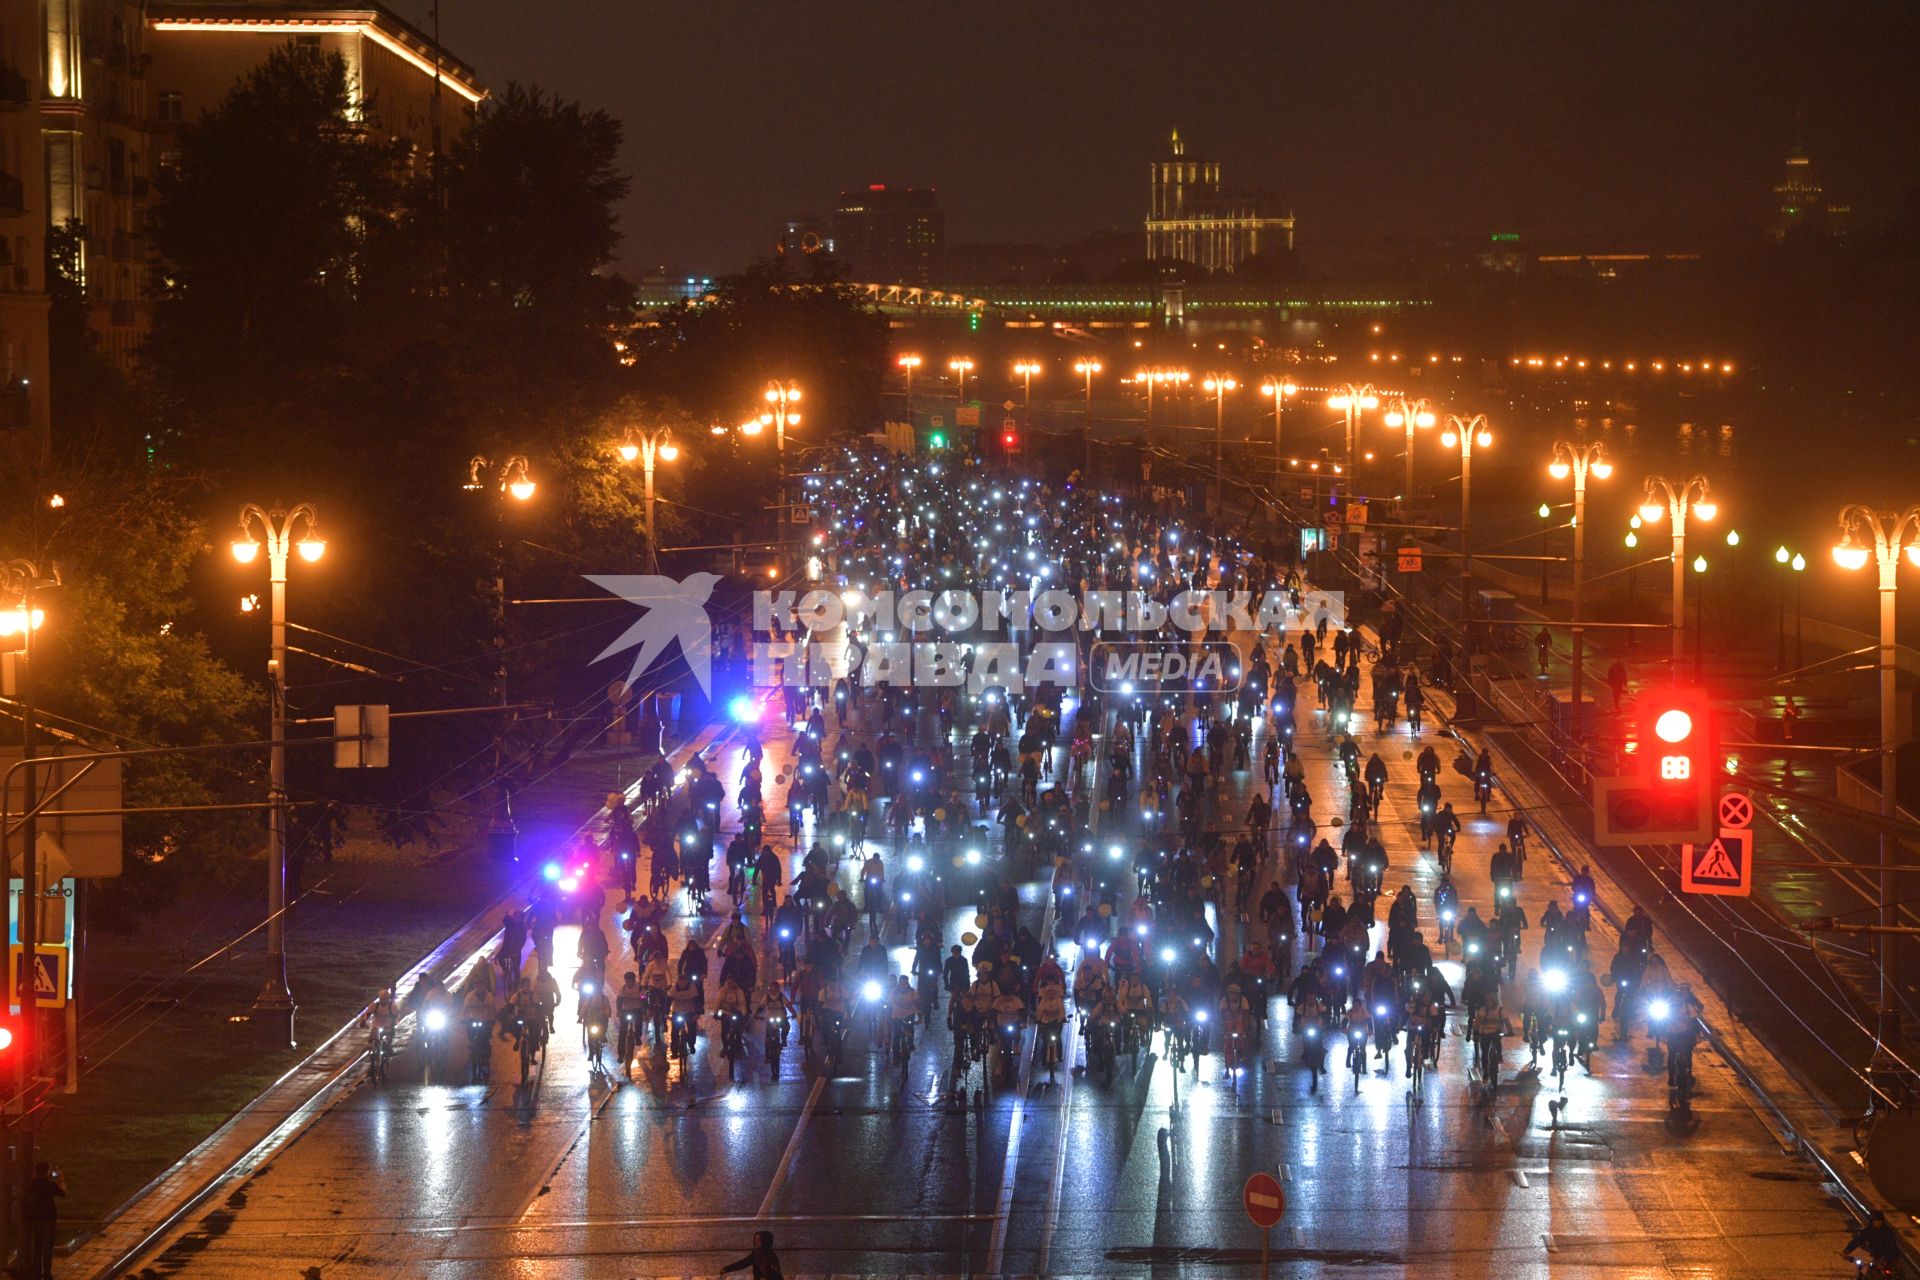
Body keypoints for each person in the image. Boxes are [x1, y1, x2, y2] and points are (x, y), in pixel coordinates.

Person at [21, 1161, 63, 1280]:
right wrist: (61, 1179)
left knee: (37, 1247)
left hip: (35, 1219)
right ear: (46, 1171)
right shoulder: (49, 1185)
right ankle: (47, 1274)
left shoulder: (31, 1184)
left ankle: (36, 1274)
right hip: (48, 1219)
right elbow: (63, 1193)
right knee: (47, 1249)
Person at [721, 1229, 785, 1278]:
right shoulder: (755, 1254)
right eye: (755, 1240)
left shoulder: (771, 1256)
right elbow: (743, 1263)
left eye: (758, 1240)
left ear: (764, 1241)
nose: (756, 1242)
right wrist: (727, 1269)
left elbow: (777, 1274)